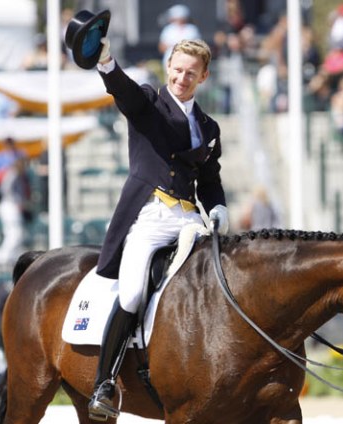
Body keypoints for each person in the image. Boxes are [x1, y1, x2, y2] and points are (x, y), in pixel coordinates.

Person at [87, 37, 229, 420]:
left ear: (204, 76)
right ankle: (105, 382)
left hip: (189, 220)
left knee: (222, 282)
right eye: (178, 70)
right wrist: (107, 63)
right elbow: (125, 93)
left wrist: (217, 206)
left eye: (191, 73)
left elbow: (210, 177)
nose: (183, 78)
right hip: (151, 217)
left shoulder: (208, 125)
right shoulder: (149, 102)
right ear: (169, 67)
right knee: (132, 293)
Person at [158, 4, 201, 71]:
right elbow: (161, 47)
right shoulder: (168, 29)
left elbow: (198, 46)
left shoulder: (192, 29)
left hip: (188, 62)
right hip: (171, 62)